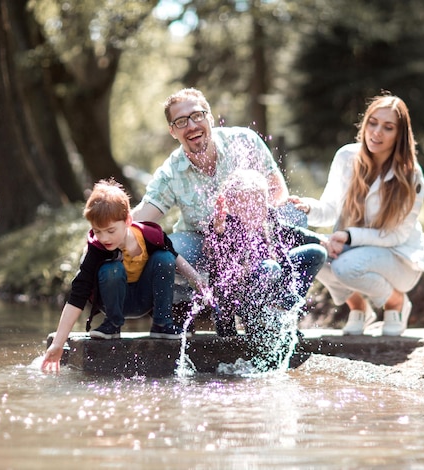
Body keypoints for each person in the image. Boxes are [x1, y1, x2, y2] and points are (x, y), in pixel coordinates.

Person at [131, 88, 296, 307]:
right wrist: (101, 231)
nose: (191, 126)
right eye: (181, 122)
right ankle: (192, 301)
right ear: (172, 131)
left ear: (210, 117)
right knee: (172, 250)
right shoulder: (171, 171)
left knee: (294, 217)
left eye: (197, 116)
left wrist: (254, 223)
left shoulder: (245, 141)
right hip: (202, 242)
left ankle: (276, 300)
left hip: (254, 234)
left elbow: (278, 191)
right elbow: (142, 217)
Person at [291, 94, 424, 337]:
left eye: (388, 128)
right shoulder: (346, 157)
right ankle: (359, 309)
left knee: (345, 266)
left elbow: (395, 235)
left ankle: (396, 303)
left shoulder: (411, 175)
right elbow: (329, 209)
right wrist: (307, 207)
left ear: (400, 135)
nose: (377, 132)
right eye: (373, 123)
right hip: (353, 249)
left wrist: (348, 236)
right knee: (318, 255)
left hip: (398, 258)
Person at [42, 179, 204, 373]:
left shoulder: (150, 235)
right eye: (98, 231)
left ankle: (163, 323)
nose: (104, 238)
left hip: (144, 299)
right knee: (112, 269)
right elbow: (77, 296)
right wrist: (58, 343)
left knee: (164, 257)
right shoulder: (96, 250)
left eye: (111, 231)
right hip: (113, 300)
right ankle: (111, 325)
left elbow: (176, 258)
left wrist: (198, 281)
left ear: (128, 221)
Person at [206, 169, 328, 337]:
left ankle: (283, 313)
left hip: (267, 281)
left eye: (262, 202)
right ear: (233, 205)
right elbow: (217, 258)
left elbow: (288, 231)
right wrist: (218, 230)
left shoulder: (268, 214)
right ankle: (256, 321)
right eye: (251, 205)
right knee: (270, 267)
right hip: (237, 295)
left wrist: (319, 239)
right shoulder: (225, 225)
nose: (259, 209)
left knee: (316, 253)